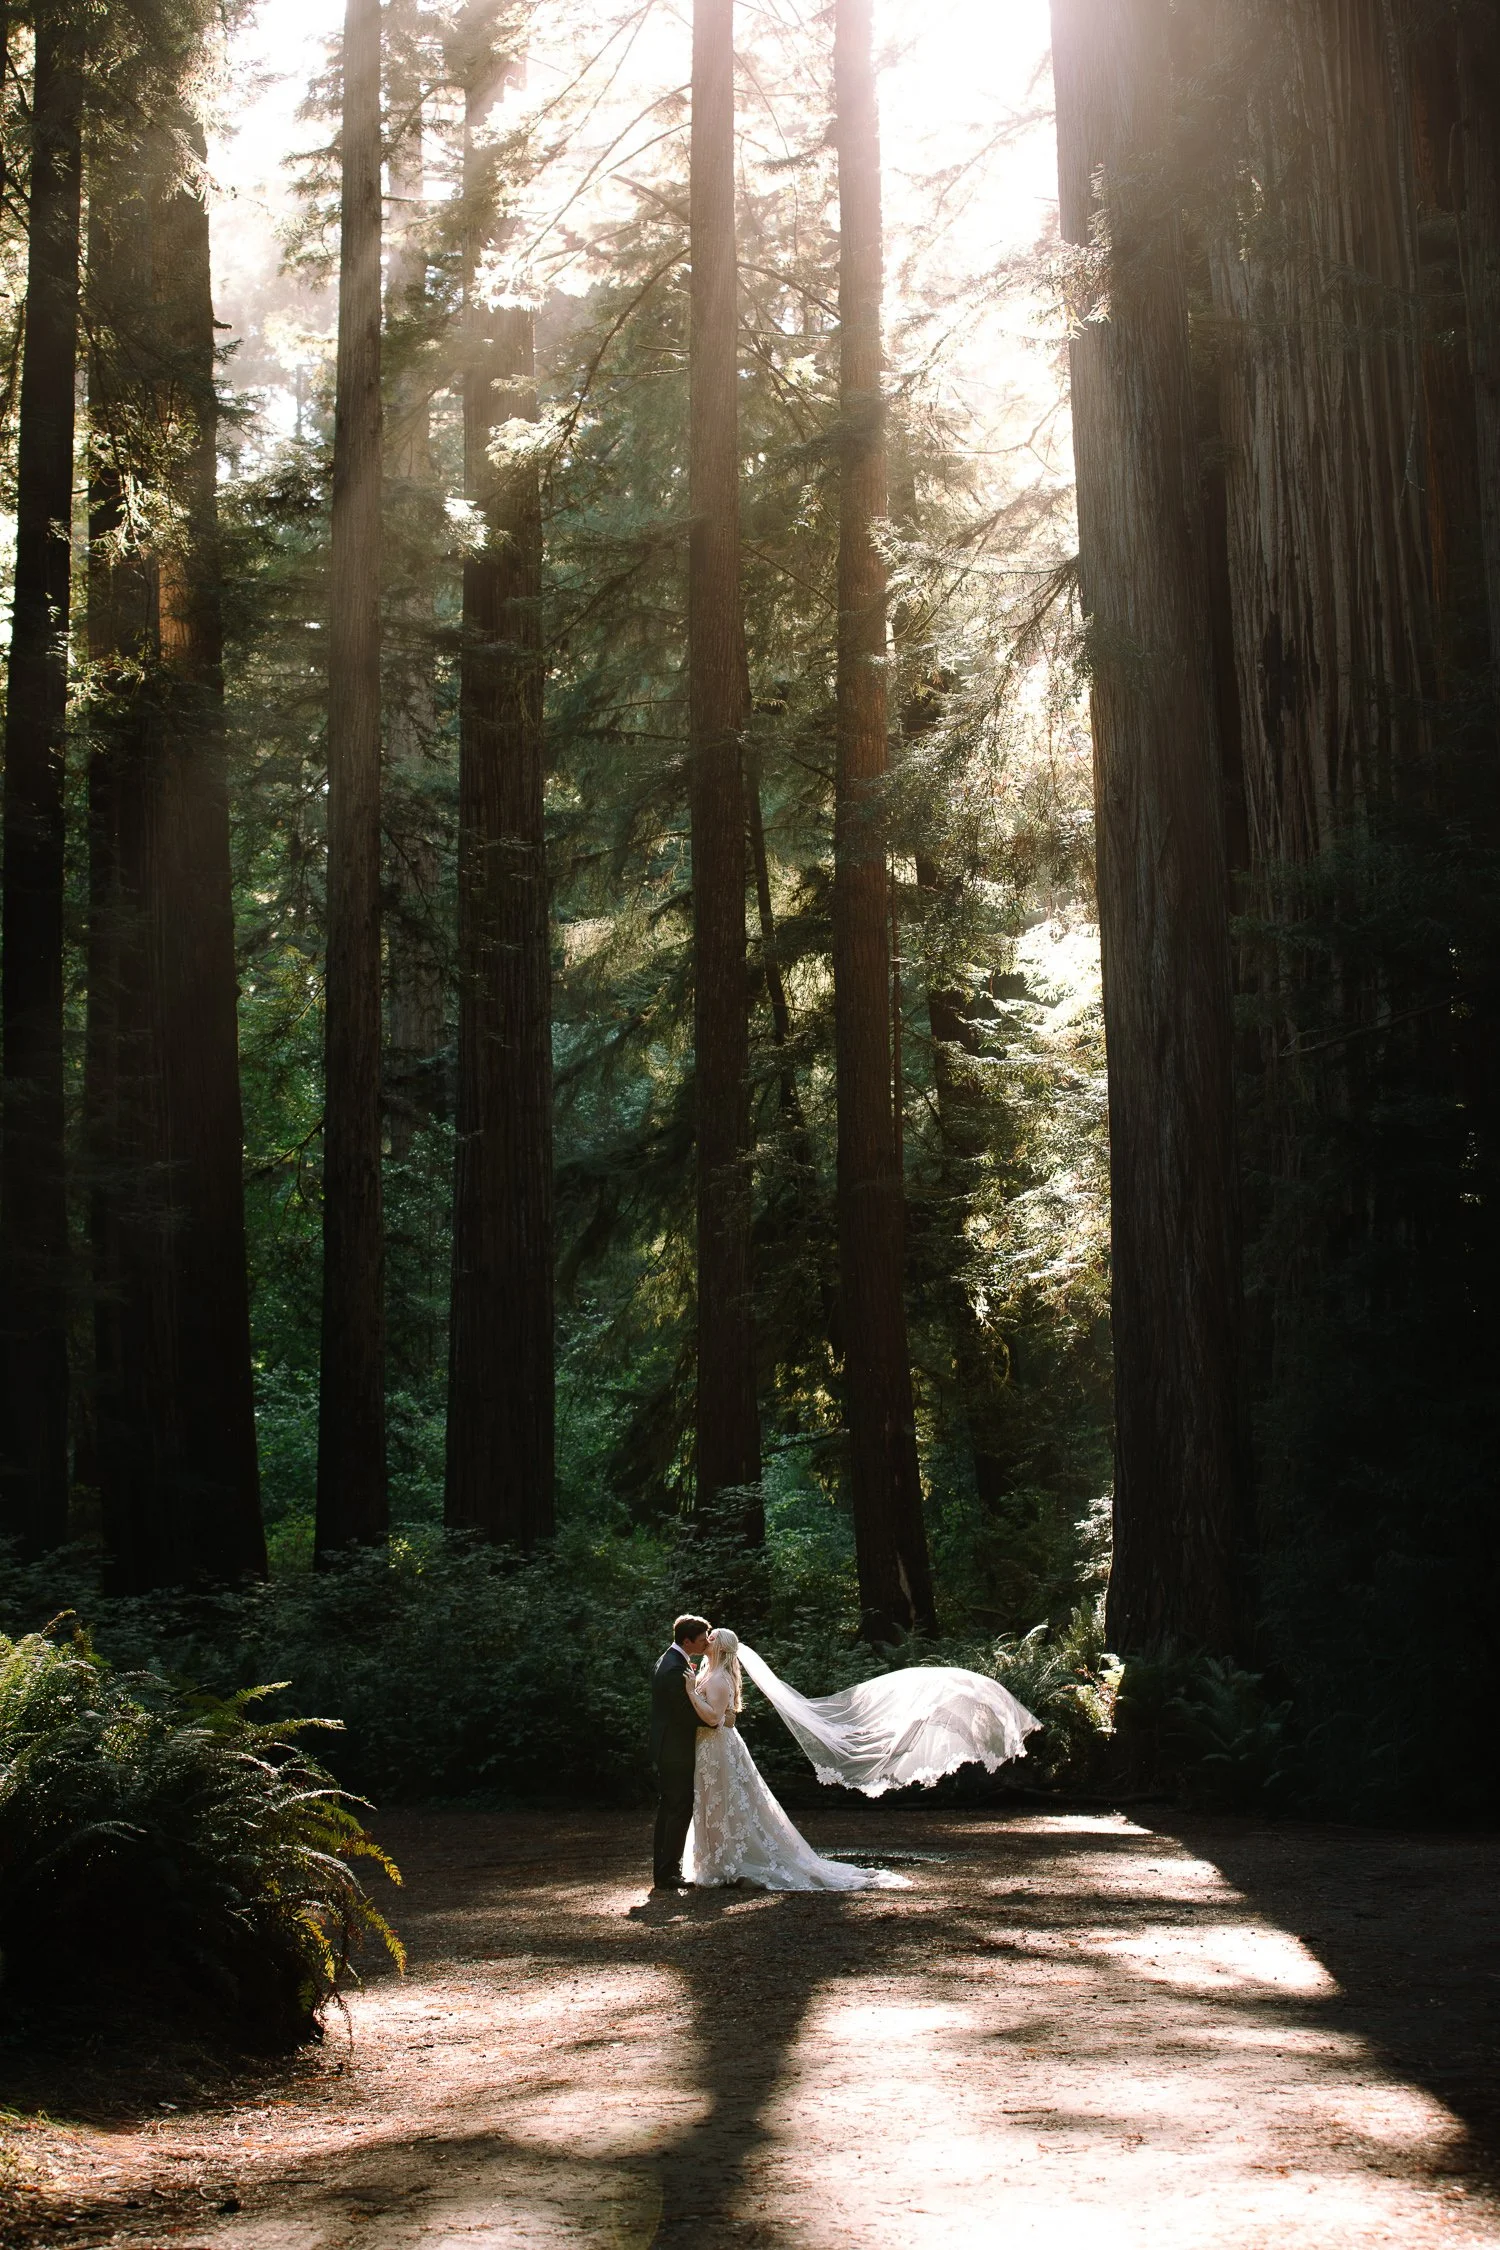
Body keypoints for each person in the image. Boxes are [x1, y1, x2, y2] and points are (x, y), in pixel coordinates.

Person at [681, 1628, 908, 1891]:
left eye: (711, 1637)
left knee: (726, 1801)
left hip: (718, 1747)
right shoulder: (709, 1673)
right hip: (709, 1746)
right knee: (715, 1802)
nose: (706, 1640)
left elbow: (713, 1718)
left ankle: (732, 1861)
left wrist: (690, 1692)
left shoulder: (720, 1678)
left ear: (719, 1646)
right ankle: (718, 1859)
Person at [650, 1613, 711, 1890]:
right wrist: (715, 1719)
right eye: (701, 1640)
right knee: (677, 1808)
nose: (706, 1643)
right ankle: (667, 1872)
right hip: (675, 1749)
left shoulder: (670, 1659)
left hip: (669, 1746)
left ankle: (664, 1869)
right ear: (687, 1641)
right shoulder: (674, 1668)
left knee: (669, 1808)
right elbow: (683, 1714)